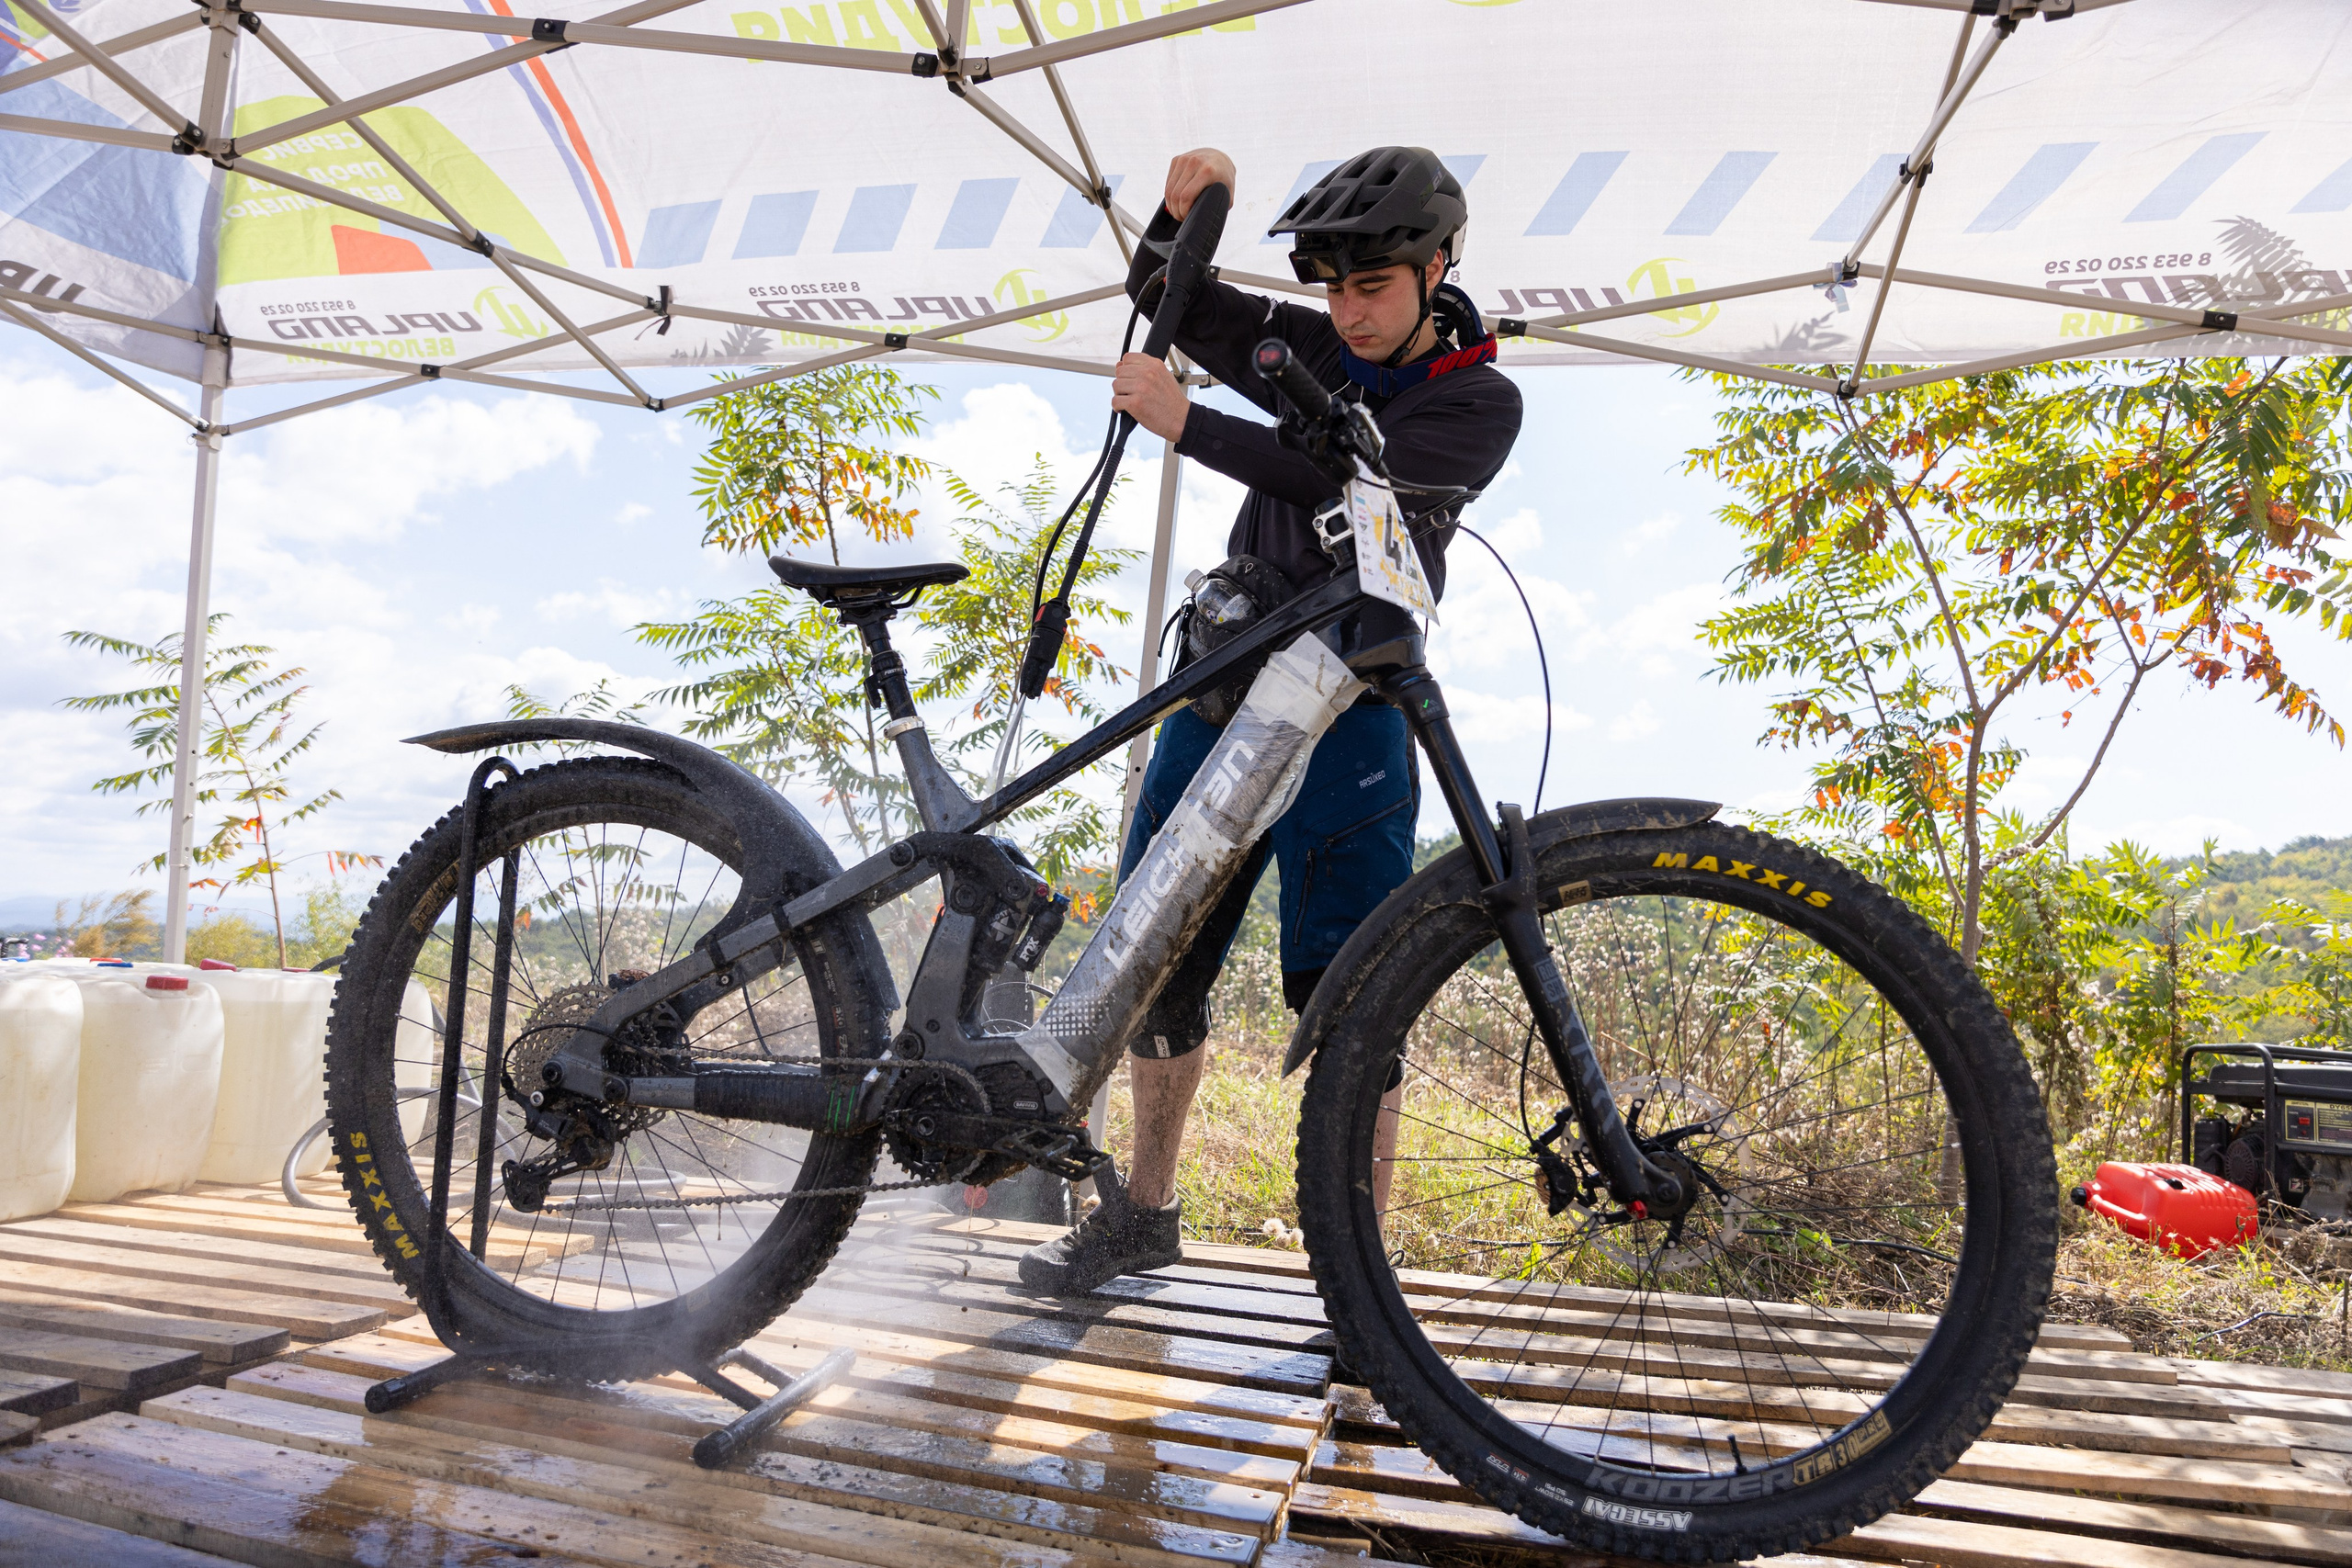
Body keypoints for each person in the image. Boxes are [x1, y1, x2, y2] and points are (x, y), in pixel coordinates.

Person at [1019, 145, 1523, 1295]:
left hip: (1353, 710)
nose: (1345, 314)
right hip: (1225, 687)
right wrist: (1183, 207)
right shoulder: (1310, 343)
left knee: (1352, 992)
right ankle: (1145, 1216)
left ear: (1436, 267)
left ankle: (1359, 1277)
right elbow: (1171, 295)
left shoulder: (1477, 399)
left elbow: (1362, 492)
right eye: (1330, 290)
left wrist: (1188, 426)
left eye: (1373, 288)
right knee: (1151, 966)